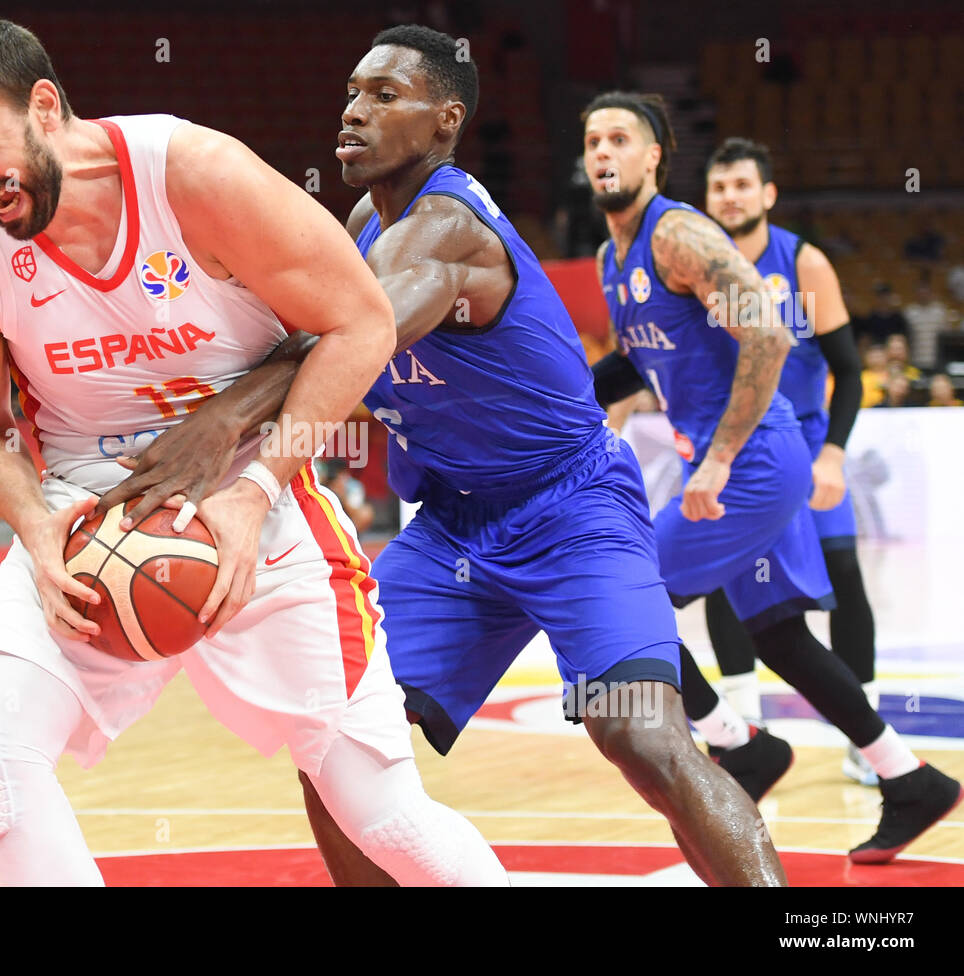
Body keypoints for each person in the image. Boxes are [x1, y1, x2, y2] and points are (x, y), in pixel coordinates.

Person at [104, 26, 787, 886]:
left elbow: (353, 339)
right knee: (334, 743)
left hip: (571, 506)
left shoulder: (449, 228)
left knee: (642, 735)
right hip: (456, 529)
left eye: (386, 96)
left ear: (444, 122)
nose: (354, 111)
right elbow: (294, 337)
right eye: (352, 92)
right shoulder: (361, 223)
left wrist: (220, 424)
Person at [0, 16, 505, 887]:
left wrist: (257, 487)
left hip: (255, 502)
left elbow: (363, 321)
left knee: (381, 811)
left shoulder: (192, 173)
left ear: (43, 105)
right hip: (89, 516)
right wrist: (37, 527)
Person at [583, 92, 959, 862]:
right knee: (780, 633)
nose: (602, 152)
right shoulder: (608, 259)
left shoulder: (680, 233)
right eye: (592, 140)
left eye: (620, 137)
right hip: (733, 457)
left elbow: (769, 333)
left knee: (622, 597)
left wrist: (719, 458)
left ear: (654, 156)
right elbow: (636, 365)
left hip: (754, 458)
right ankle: (907, 776)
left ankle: (736, 744)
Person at [702, 137, 880, 786]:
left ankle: (868, 734)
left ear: (768, 194)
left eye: (742, 185)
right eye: (719, 187)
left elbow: (851, 374)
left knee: (842, 580)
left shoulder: (803, 264)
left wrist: (833, 453)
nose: (730, 196)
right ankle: (743, 735)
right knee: (728, 582)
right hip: (735, 455)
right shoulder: (693, 267)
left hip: (804, 451)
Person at [903, 275, 949, 370]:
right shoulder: (909, 312)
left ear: (931, 292)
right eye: (920, 291)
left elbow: (946, 335)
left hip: (936, 360)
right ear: (916, 293)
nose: (923, 294)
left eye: (926, 291)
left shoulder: (940, 311)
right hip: (915, 360)